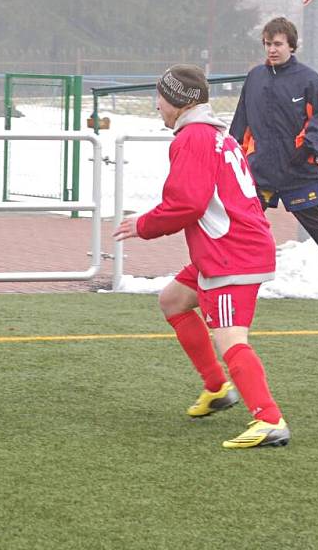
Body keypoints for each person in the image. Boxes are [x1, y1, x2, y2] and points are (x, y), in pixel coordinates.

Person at [113, 64, 289, 449]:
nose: (156, 104)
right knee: (173, 299)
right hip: (230, 248)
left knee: (230, 338)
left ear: (177, 101)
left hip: (231, 255)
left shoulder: (192, 138)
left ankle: (270, 419)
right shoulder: (214, 135)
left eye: (160, 96)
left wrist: (143, 225)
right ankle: (217, 388)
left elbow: (186, 204)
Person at [230, 16, 318, 310]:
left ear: (291, 46)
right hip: (262, 173)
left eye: (278, 44)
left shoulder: (309, 80)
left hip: (300, 174)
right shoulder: (254, 77)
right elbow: (241, 121)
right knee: (241, 228)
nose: (272, 49)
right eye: (268, 44)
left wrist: (308, 147)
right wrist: (233, 156)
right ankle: (231, 286)